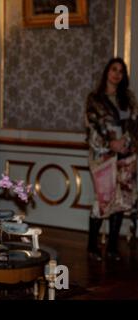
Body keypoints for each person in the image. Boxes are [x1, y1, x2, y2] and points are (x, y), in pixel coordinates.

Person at [85, 57, 138, 261]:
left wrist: (126, 142)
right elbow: (92, 127)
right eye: (113, 69)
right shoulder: (95, 99)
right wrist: (110, 144)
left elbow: (134, 123)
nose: (117, 74)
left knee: (121, 201)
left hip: (127, 156)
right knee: (103, 199)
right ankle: (92, 246)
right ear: (107, 72)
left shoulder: (129, 98)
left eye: (121, 71)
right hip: (103, 157)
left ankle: (114, 247)